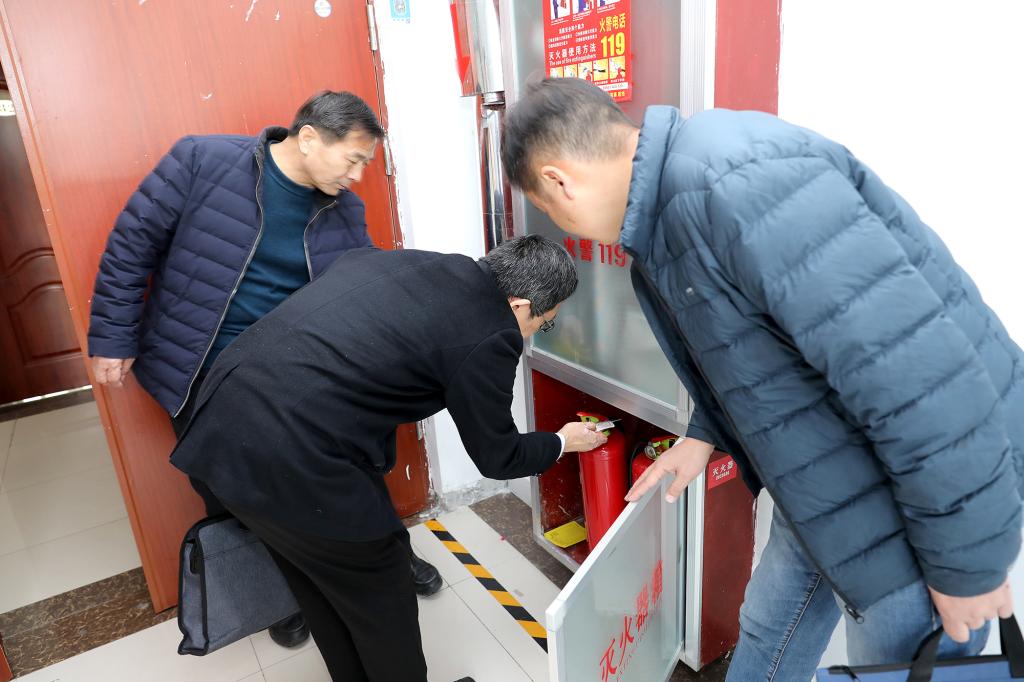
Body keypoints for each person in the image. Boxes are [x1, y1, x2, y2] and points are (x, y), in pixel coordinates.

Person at [502, 78, 1023, 679]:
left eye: (547, 208)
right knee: (769, 631)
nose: (562, 225)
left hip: (914, 499)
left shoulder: (737, 180)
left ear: (558, 181)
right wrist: (703, 436)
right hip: (823, 478)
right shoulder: (666, 218)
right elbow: (747, 349)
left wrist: (965, 563)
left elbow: (919, 376)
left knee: (894, 663)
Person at [86, 90, 443, 649]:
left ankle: (390, 557)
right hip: (201, 369)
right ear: (309, 138)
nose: (357, 177)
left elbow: (359, 289)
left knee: (353, 466)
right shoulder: (201, 161)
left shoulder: (344, 209)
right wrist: (113, 336)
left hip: (294, 372)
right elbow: (132, 245)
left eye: (365, 165)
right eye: (353, 160)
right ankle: (278, 593)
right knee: (231, 490)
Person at [169, 235, 607, 681]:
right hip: (290, 454)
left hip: (219, 421)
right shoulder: (492, 331)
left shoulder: (412, 264)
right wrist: (561, 441)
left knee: (317, 582)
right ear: (519, 305)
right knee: (382, 591)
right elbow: (500, 457)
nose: (536, 332)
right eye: (544, 323)